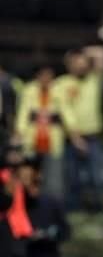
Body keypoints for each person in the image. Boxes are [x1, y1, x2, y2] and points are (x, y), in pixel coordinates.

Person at [54, 47, 103, 211]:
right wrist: (75, 137)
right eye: (77, 63)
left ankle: (98, 212)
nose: (82, 66)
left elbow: (102, 54)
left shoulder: (93, 79)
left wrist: (83, 53)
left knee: (96, 178)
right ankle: (72, 214)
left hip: (93, 137)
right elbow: (64, 112)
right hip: (71, 138)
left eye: (83, 63)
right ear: (69, 65)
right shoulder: (61, 84)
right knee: (72, 179)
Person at [15, 67, 72, 199]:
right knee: (30, 175)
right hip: (32, 139)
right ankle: (28, 204)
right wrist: (19, 132)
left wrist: (73, 131)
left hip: (53, 139)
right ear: (38, 76)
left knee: (54, 178)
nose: (46, 79)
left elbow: (66, 111)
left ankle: (53, 207)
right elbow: (23, 112)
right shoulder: (29, 89)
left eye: (49, 76)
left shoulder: (59, 90)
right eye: (43, 76)